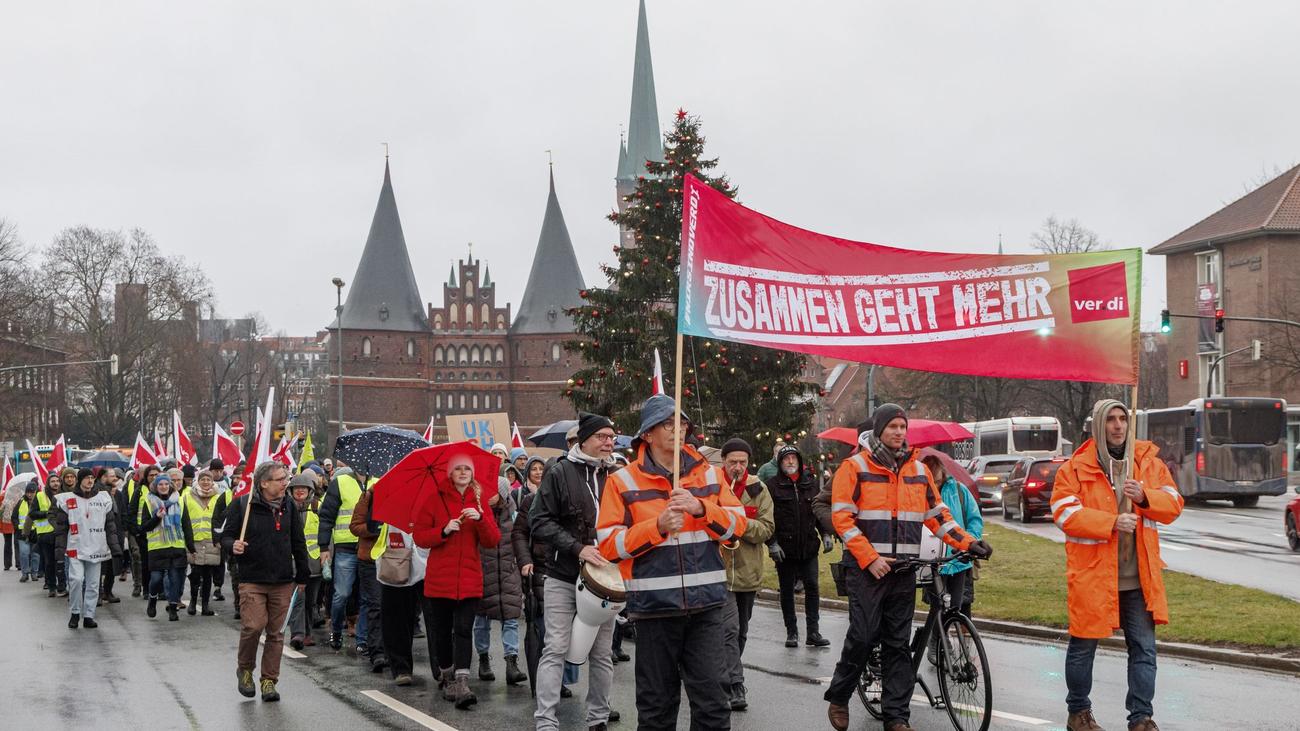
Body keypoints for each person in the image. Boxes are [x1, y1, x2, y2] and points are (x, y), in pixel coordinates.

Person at [825, 404, 991, 731]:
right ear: (878, 430)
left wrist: (968, 543)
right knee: (863, 636)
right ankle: (840, 695)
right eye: (892, 426)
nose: (899, 432)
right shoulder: (854, 467)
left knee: (897, 644)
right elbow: (842, 520)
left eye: (903, 426)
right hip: (867, 571)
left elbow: (939, 517)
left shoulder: (918, 470)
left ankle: (897, 717)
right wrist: (870, 558)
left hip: (903, 570)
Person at [596, 396, 749, 731]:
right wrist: (658, 527)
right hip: (654, 611)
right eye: (667, 423)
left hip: (707, 608)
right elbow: (608, 545)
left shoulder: (710, 475)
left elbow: (738, 526)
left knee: (714, 707)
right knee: (656, 711)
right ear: (647, 434)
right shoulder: (622, 481)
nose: (677, 429)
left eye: (681, 423)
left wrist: (702, 509)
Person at [1052, 400, 1183, 731]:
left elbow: (1174, 504)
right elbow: (1064, 513)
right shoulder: (1075, 468)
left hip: (1139, 578)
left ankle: (1141, 718)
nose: (1118, 425)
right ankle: (1078, 713)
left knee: (1144, 650)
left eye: (1123, 418)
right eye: (1110, 419)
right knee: (1083, 647)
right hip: (1094, 577)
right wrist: (1111, 522)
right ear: (1099, 425)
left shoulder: (1148, 463)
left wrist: (1144, 497)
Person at [530, 413, 623, 731]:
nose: (609, 442)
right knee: (555, 647)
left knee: (602, 653)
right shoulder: (560, 472)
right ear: (584, 440)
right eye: (602, 436)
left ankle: (598, 718)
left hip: (605, 580)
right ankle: (546, 720)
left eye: (611, 437)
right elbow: (539, 521)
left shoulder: (616, 475)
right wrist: (577, 548)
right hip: (563, 574)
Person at [414, 450, 500, 710]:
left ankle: (462, 682)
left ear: (472, 473)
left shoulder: (480, 500)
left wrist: (481, 519)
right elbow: (420, 537)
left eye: (467, 469)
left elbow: (492, 540)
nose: (463, 473)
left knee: (463, 629)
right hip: (440, 579)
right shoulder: (434, 499)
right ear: (450, 473)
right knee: (442, 632)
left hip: (470, 579)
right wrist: (443, 530)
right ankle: (447, 675)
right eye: (458, 469)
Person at [222, 461, 309, 702]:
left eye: (285, 479)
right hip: (252, 578)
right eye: (280, 479)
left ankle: (269, 680)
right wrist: (233, 545)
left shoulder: (289, 506)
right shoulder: (242, 505)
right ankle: (245, 669)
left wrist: (302, 575)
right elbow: (225, 536)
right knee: (253, 626)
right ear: (263, 483)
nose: (285, 483)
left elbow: (298, 541)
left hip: (282, 580)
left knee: (276, 633)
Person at [714, 437, 775, 712]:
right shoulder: (713, 485)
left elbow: (766, 528)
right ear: (723, 462)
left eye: (742, 462)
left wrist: (736, 523)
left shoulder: (758, 488)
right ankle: (734, 684)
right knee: (729, 629)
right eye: (732, 462)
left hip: (748, 572)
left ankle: (722, 671)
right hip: (719, 572)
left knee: (741, 632)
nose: (737, 467)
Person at [766, 444, 832, 649]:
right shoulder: (772, 486)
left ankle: (813, 632)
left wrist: (826, 533)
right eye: (786, 459)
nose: (790, 462)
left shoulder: (809, 484)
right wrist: (772, 543)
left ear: (799, 461)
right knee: (787, 590)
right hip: (785, 549)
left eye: (793, 458)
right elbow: (766, 517)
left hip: (809, 546)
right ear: (780, 462)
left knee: (812, 586)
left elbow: (818, 510)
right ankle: (792, 632)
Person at [53, 468, 124, 629]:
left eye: (92, 478)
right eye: (86, 478)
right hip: (75, 548)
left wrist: (115, 548)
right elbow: (61, 528)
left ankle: (88, 616)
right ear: (80, 480)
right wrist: (59, 551)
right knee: (76, 580)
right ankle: (75, 612)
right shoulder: (67, 500)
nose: (90, 481)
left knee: (93, 584)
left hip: (96, 548)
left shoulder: (103, 498)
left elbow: (110, 526)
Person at [473, 479, 526, 686]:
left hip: (508, 574)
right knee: (481, 620)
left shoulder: (514, 516)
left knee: (510, 619)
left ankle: (511, 663)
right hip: (483, 573)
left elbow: (520, 541)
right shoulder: (477, 513)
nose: (489, 495)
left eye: (494, 491)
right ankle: (483, 659)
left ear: (503, 494)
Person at [374, 507, 432, 687]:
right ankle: (401, 668)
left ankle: (442, 670)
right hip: (395, 560)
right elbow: (369, 524)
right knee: (396, 618)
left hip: (430, 562)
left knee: (437, 620)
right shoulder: (388, 498)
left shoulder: (436, 496)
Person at [317, 460, 369, 652]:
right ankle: (337, 630)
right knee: (342, 594)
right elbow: (326, 517)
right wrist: (324, 547)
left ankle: (363, 640)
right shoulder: (340, 482)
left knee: (367, 597)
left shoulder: (378, 482)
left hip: (370, 547)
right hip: (346, 548)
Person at [350, 479, 389, 673]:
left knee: (393, 608)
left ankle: (392, 651)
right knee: (376, 604)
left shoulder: (405, 497)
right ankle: (377, 652)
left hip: (395, 560)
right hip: (370, 560)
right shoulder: (369, 495)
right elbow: (355, 526)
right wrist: (374, 529)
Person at [138, 474, 188, 621]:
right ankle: (152, 599)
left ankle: (173, 608)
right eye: (160, 484)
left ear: (170, 486)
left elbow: (186, 525)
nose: (164, 487)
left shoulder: (179, 500)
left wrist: (191, 547)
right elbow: (144, 527)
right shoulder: (149, 501)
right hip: (157, 547)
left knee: (175, 579)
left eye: (166, 484)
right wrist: (157, 517)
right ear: (156, 486)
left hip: (176, 546)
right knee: (156, 579)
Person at [287, 474, 323, 650]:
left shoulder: (318, 507)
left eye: (304, 488)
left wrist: (327, 555)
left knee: (310, 601)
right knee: (298, 598)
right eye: (296, 488)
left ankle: (308, 633)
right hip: (293, 563)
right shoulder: (285, 507)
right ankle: (298, 634)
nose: (300, 491)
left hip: (314, 563)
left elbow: (326, 533)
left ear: (310, 490)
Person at [183, 469, 223, 617]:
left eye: (208, 480)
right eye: (203, 479)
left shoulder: (219, 497)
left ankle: (205, 605)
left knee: (208, 575)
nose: (206, 482)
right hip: (195, 540)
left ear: (212, 482)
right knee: (195, 573)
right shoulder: (187, 496)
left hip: (212, 541)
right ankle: (193, 602)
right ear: (198, 481)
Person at [126, 464, 160, 598]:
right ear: (146, 477)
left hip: (160, 532)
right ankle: (146, 589)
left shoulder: (164, 489)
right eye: (151, 475)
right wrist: (136, 531)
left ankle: (160, 589)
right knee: (145, 562)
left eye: (156, 475)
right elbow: (131, 511)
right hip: (143, 532)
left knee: (159, 563)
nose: (154, 477)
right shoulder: (140, 490)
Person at [97, 468, 124, 604]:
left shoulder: (117, 494)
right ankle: (98, 593)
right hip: (100, 533)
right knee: (99, 566)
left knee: (112, 565)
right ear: (103, 477)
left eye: (115, 476)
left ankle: (108, 592)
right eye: (112, 476)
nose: (115, 478)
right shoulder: (96, 493)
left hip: (116, 533)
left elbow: (122, 512)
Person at [15, 481, 43, 581]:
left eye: (32, 492)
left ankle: (34, 573)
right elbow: (14, 516)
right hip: (23, 533)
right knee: (24, 553)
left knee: (35, 555)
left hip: (36, 533)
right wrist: (17, 527)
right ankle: (25, 573)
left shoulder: (40, 502)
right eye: (28, 492)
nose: (30, 494)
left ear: (36, 492)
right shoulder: (21, 502)